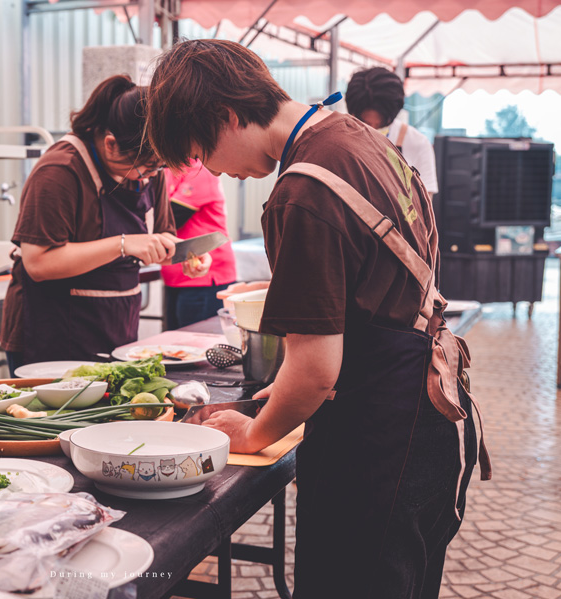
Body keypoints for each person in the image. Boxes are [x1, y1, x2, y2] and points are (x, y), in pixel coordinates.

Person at [145, 39, 489, 599]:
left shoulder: (301, 188)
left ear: (225, 117)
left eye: (202, 151)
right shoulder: (356, 138)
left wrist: (253, 432)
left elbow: (315, 371)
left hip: (377, 438)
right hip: (429, 419)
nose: (215, 172)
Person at [0, 74, 211, 373]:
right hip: (53, 336)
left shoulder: (150, 170)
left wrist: (183, 253)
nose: (151, 176)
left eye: (159, 167)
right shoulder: (60, 171)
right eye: (146, 168)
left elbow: (161, 233)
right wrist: (123, 244)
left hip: (117, 329)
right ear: (111, 144)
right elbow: (38, 263)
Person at [160, 159, 237, 329]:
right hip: (174, 273)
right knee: (174, 345)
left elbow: (171, 218)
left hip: (204, 276)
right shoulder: (162, 170)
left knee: (195, 344)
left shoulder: (199, 171)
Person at [345, 66, 439, 194]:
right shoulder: (342, 138)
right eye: (365, 124)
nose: (372, 130)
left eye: (380, 125)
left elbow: (426, 203)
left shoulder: (417, 143)